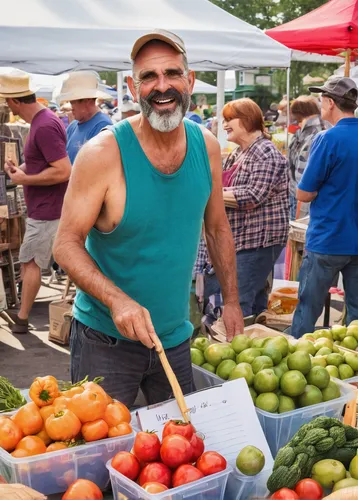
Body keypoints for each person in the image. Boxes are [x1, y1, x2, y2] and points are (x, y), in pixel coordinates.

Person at [53, 29, 244, 406]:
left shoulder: (206, 146)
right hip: (104, 340)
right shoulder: (102, 154)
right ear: (131, 85)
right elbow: (65, 244)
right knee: (99, 458)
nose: (162, 87)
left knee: (179, 451)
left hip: (175, 338)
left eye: (172, 74)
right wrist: (117, 300)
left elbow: (218, 227)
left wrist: (234, 301)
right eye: (148, 77)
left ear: (189, 80)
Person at [194, 98, 289, 317]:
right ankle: (252, 340)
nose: (225, 124)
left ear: (246, 120)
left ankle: (238, 342)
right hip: (240, 240)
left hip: (257, 242)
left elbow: (252, 196)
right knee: (253, 300)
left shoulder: (265, 152)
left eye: (229, 120)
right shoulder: (239, 152)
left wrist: (209, 193)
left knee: (240, 300)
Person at [0, 69, 71, 333]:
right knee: (33, 261)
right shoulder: (44, 122)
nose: (6, 105)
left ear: (16, 101)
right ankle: (22, 315)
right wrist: (22, 169)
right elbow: (45, 161)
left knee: (30, 262)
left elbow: (64, 170)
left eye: (7, 100)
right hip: (47, 208)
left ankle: (22, 317)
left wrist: (24, 179)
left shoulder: (44, 125)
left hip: (48, 211)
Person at [291, 76, 358, 338]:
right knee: (355, 319)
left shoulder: (327, 139)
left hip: (328, 240)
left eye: (322, 99)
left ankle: (296, 361)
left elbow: (304, 194)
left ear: (330, 103)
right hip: (355, 242)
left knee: (307, 312)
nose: (320, 104)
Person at [58, 71, 112, 164]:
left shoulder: (103, 126)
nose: (71, 107)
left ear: (87, 100)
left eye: (73, 102)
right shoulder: (73, 125)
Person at [288, 96, 326, 220]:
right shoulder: (320, 129)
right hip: (309, 197)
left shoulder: (311, 134)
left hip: (304, 199)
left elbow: (303, 178)